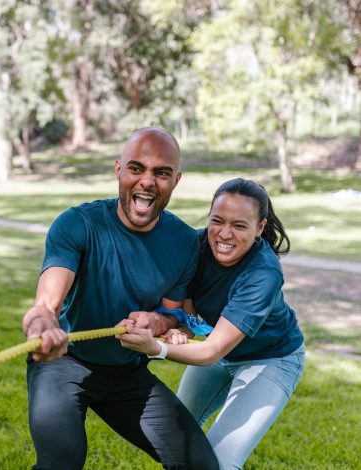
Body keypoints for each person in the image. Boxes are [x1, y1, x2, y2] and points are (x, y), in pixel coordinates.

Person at [22, 127, 219, 470]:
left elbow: (173, 316)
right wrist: (43, 325)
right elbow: (46, 305)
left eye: (161, 173)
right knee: (62, 462)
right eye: (136, 168)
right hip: (63, 364)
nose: (147, 182)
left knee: (200, 465)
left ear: (177, 180)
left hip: (126, 374)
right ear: (118, 169)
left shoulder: (186, 242)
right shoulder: (78, 224)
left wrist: (156, 321)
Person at [116, 178, 305, 470]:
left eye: (240, 225)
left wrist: (156, 349)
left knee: (221, 461)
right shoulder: (196, 246)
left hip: (271, 359)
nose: (224, 234)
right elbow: (191, 316)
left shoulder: (263, 273)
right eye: (218, 221)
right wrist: (180, 329)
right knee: (174, 439)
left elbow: (212, 351)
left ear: (260, 227)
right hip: (222, 347)